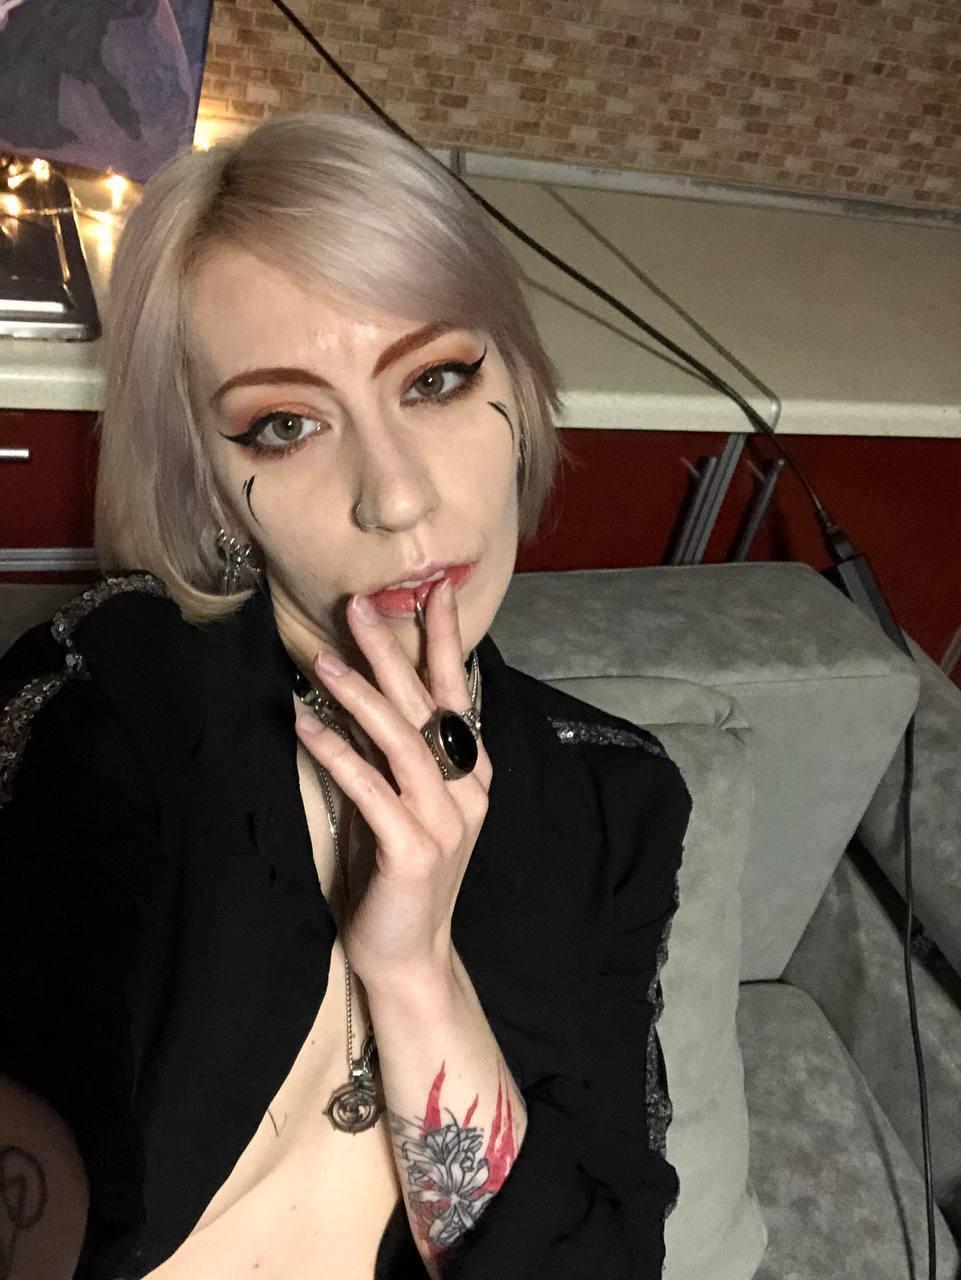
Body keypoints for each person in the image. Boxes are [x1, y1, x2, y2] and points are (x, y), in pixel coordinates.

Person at [0, 112, 691, 1280]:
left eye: (435, 379)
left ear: (520, 380)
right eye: (287, 424)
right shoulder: (119, 706)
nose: (396, 497)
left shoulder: (612, 798)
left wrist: (416, 966)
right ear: (207, 479)